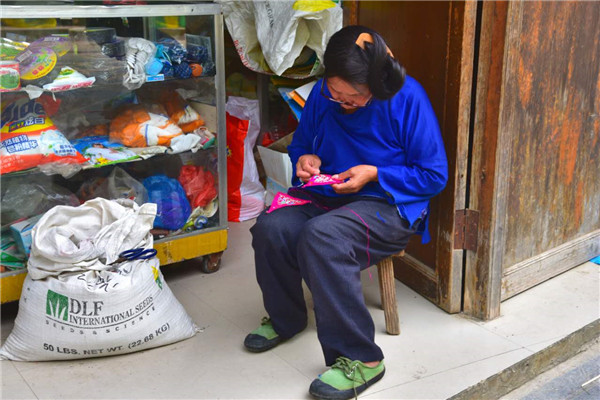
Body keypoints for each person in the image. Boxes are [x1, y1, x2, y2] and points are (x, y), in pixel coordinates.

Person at [245, 25, 448, 400]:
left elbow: (434, 176)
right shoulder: (325, 95)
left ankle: (363, 358)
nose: (340, 101)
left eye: (352, 96)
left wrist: (375, 173)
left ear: (376, 83)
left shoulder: (407, 98)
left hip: (389, 207)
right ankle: (286, 318)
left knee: (323, 236)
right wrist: (306, 158)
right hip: (330, 196)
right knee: (271, 227)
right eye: (334, 92)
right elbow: (303, 144)